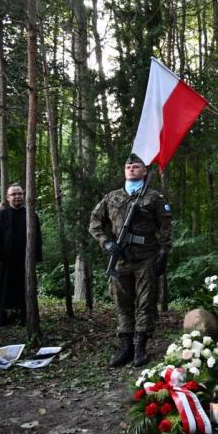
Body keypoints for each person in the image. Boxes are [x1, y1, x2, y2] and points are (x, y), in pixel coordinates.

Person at [89, 154, 172, 367]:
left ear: (144, 171)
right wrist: (107, 243)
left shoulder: (154, 197)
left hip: (146, 257)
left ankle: (140, 347)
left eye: (136, 166)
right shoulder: (112, 197)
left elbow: (165, 227)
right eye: (128, 166)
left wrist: (164, 251)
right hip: (121, 258)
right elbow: (95, 223)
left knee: (146, 302)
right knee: (122, 303)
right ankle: (125, 346)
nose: (131, 168)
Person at [0, 185, 42, 326]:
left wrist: (36, 256)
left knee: (24, 289)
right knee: (3, 289)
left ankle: (24, 317)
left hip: (24, 260)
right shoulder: (0, 215)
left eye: (19, 193)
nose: (17, 196)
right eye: (13, 194)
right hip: (5, 261)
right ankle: (2, 318)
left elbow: (38, 237)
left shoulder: (31, 214)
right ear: (7, 198)